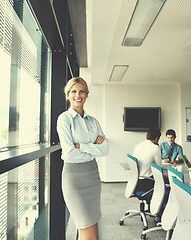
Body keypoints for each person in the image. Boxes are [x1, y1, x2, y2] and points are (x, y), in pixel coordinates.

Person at [57, 77, 109, 240]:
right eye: (73, 91)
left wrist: (82, 145)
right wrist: (93, 145)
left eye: (82, 91)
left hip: (93, 176)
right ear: (67, 94)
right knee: (89, 230)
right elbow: (69, 153)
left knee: (90, 225)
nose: (77, 95)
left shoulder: (93, 121)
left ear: (87, 95)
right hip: (74, 179)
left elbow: (105, 149)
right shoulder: (64, 119)